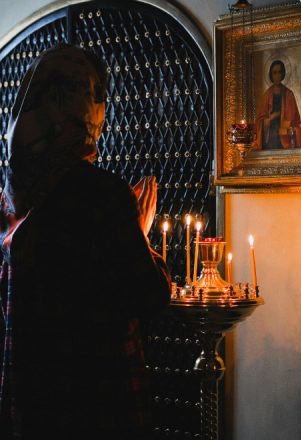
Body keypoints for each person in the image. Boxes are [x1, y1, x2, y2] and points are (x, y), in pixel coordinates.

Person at [0, 45, 172, 440]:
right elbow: (148, 295)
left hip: (32, 399)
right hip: (97, 399)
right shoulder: (101, 195)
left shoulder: (11, 195)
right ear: (88, 110)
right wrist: (141, 234)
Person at [256, 59, 301, 149]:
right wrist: (271, 118)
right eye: (274, 73)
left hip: (285, 136)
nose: (277, 75)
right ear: (271, 75)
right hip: (270, 135)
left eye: (279, 72)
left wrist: (280, 117)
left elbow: (294, 118)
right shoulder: (267, 95)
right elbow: (259, 121)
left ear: (283, 74)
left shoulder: (289, 94)